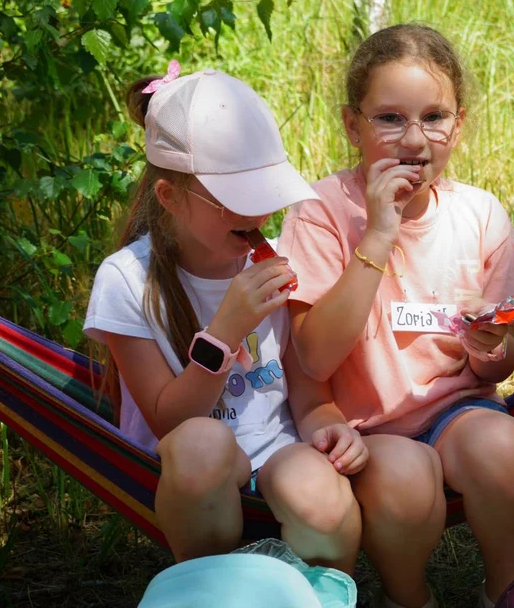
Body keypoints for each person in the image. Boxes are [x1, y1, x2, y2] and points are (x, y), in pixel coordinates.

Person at [279, 25, 514, 608]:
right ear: (353, 126)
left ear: (459, 124)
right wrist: (378, 234)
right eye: (389, 118)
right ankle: (411, 599)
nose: (414, 138)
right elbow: (314, 357)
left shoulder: (478, 214)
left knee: (505, 447)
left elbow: (500, 366)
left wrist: (491, 342)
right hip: (363, 425)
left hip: (458, 409)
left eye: (433, 117)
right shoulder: (320, 210)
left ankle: (508, 594)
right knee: (405, 479)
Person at [83, 63, 367, 573]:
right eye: (234, 199)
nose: (255, 215)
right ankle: (209, 588)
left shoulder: (284, 258)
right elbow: (169, 421)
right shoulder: (126, 280)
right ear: (169, 198)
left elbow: (306, 393)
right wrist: (223, 333)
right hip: (185, 470)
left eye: (263, 194)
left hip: (278, 449)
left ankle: (324, 594)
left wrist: (330, 426)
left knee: (324, 503)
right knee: (202, 445)